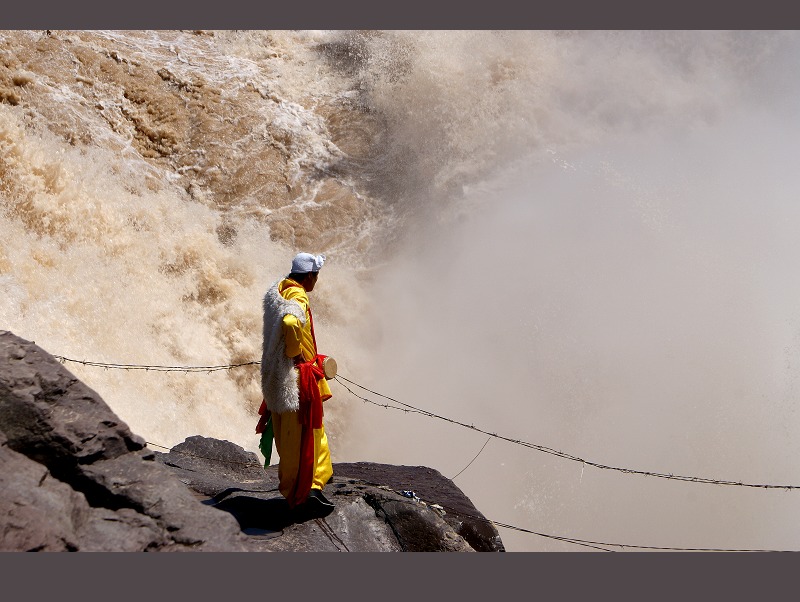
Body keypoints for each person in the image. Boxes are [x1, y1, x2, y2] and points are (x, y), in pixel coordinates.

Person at [257, 252, 335, 518]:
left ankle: (306, 484)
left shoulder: (278, 289)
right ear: (309, 276)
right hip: (296, 378)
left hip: (276, 375)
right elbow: (291, 321)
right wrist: (295, 351)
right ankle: (309, 489)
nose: (316, 282)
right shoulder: (299, 295)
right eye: (316, 276)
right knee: (308, 433)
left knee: (288, 436)